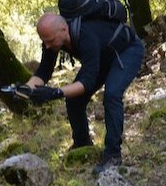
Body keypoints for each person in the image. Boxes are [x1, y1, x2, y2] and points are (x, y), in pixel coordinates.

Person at [23, 10, 145, 173]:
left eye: (50, 41)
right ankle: (82, 144)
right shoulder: (51, 40)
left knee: (112, 95)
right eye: (44, 41)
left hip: (127, 51)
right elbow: (43, 72)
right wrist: (26, 89)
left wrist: (55, 93)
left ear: (63, 30)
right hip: (103, 55)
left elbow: (86, 83)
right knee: (74, 99)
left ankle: (113, 156)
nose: (47, 46)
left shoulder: (86, 36)